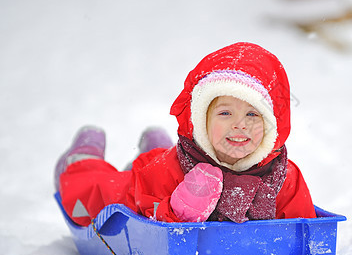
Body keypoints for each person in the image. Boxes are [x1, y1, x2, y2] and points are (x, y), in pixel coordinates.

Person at [55, 42, 317, 226]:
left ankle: (153, 145)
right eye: (225, 113)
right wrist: (180, 210)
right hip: (145, 179)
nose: (240, 125)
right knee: (91, 198)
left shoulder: (282, 175)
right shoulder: (173, 168)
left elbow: (303, 224)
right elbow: (141, 219)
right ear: (201, 121)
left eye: (252, 114)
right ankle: (82, 160)